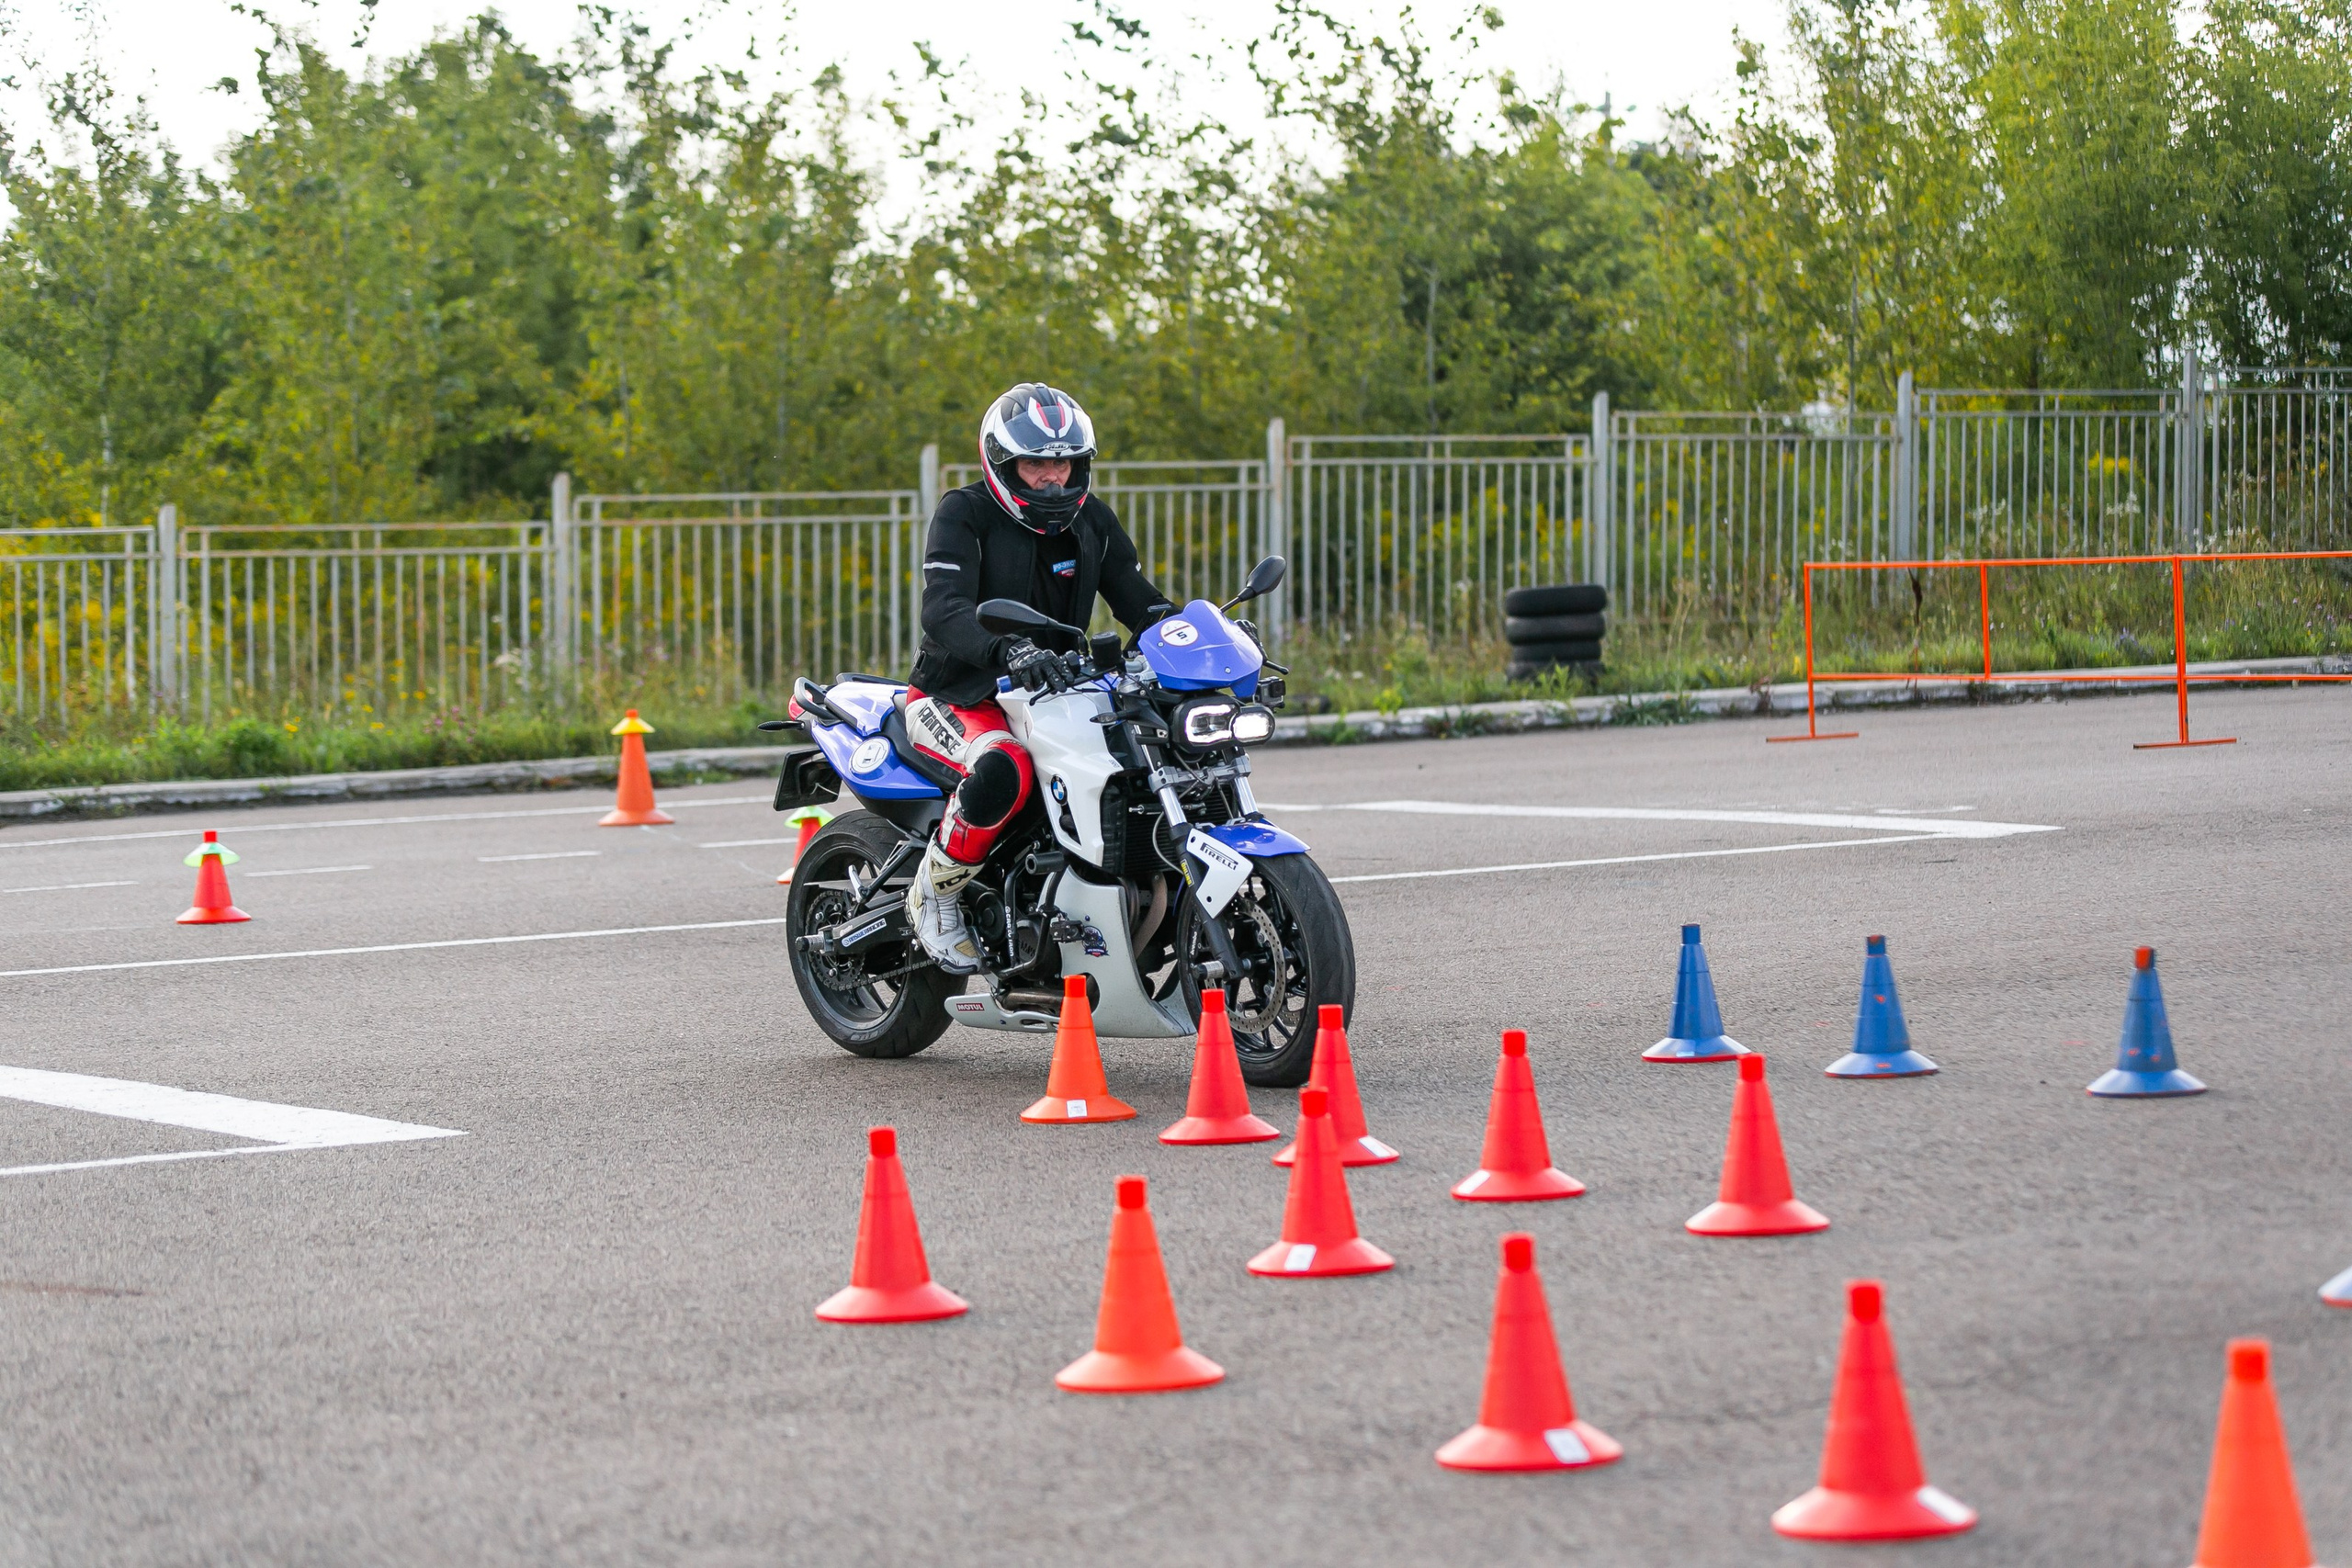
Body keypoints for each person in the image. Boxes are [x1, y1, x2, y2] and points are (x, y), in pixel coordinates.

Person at [902, 383, 1175, 973]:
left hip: (1057, 695)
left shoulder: (1094, 520)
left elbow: (1140, 601)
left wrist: (1193, 636)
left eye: (1063, 462)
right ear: (1004, 464)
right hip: (959, 694)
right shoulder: (965, 513)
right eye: (1036, 464)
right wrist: (1005, 650)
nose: (1053, 477)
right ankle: (936, 895)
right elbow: (942, 608)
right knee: (1003, 766)